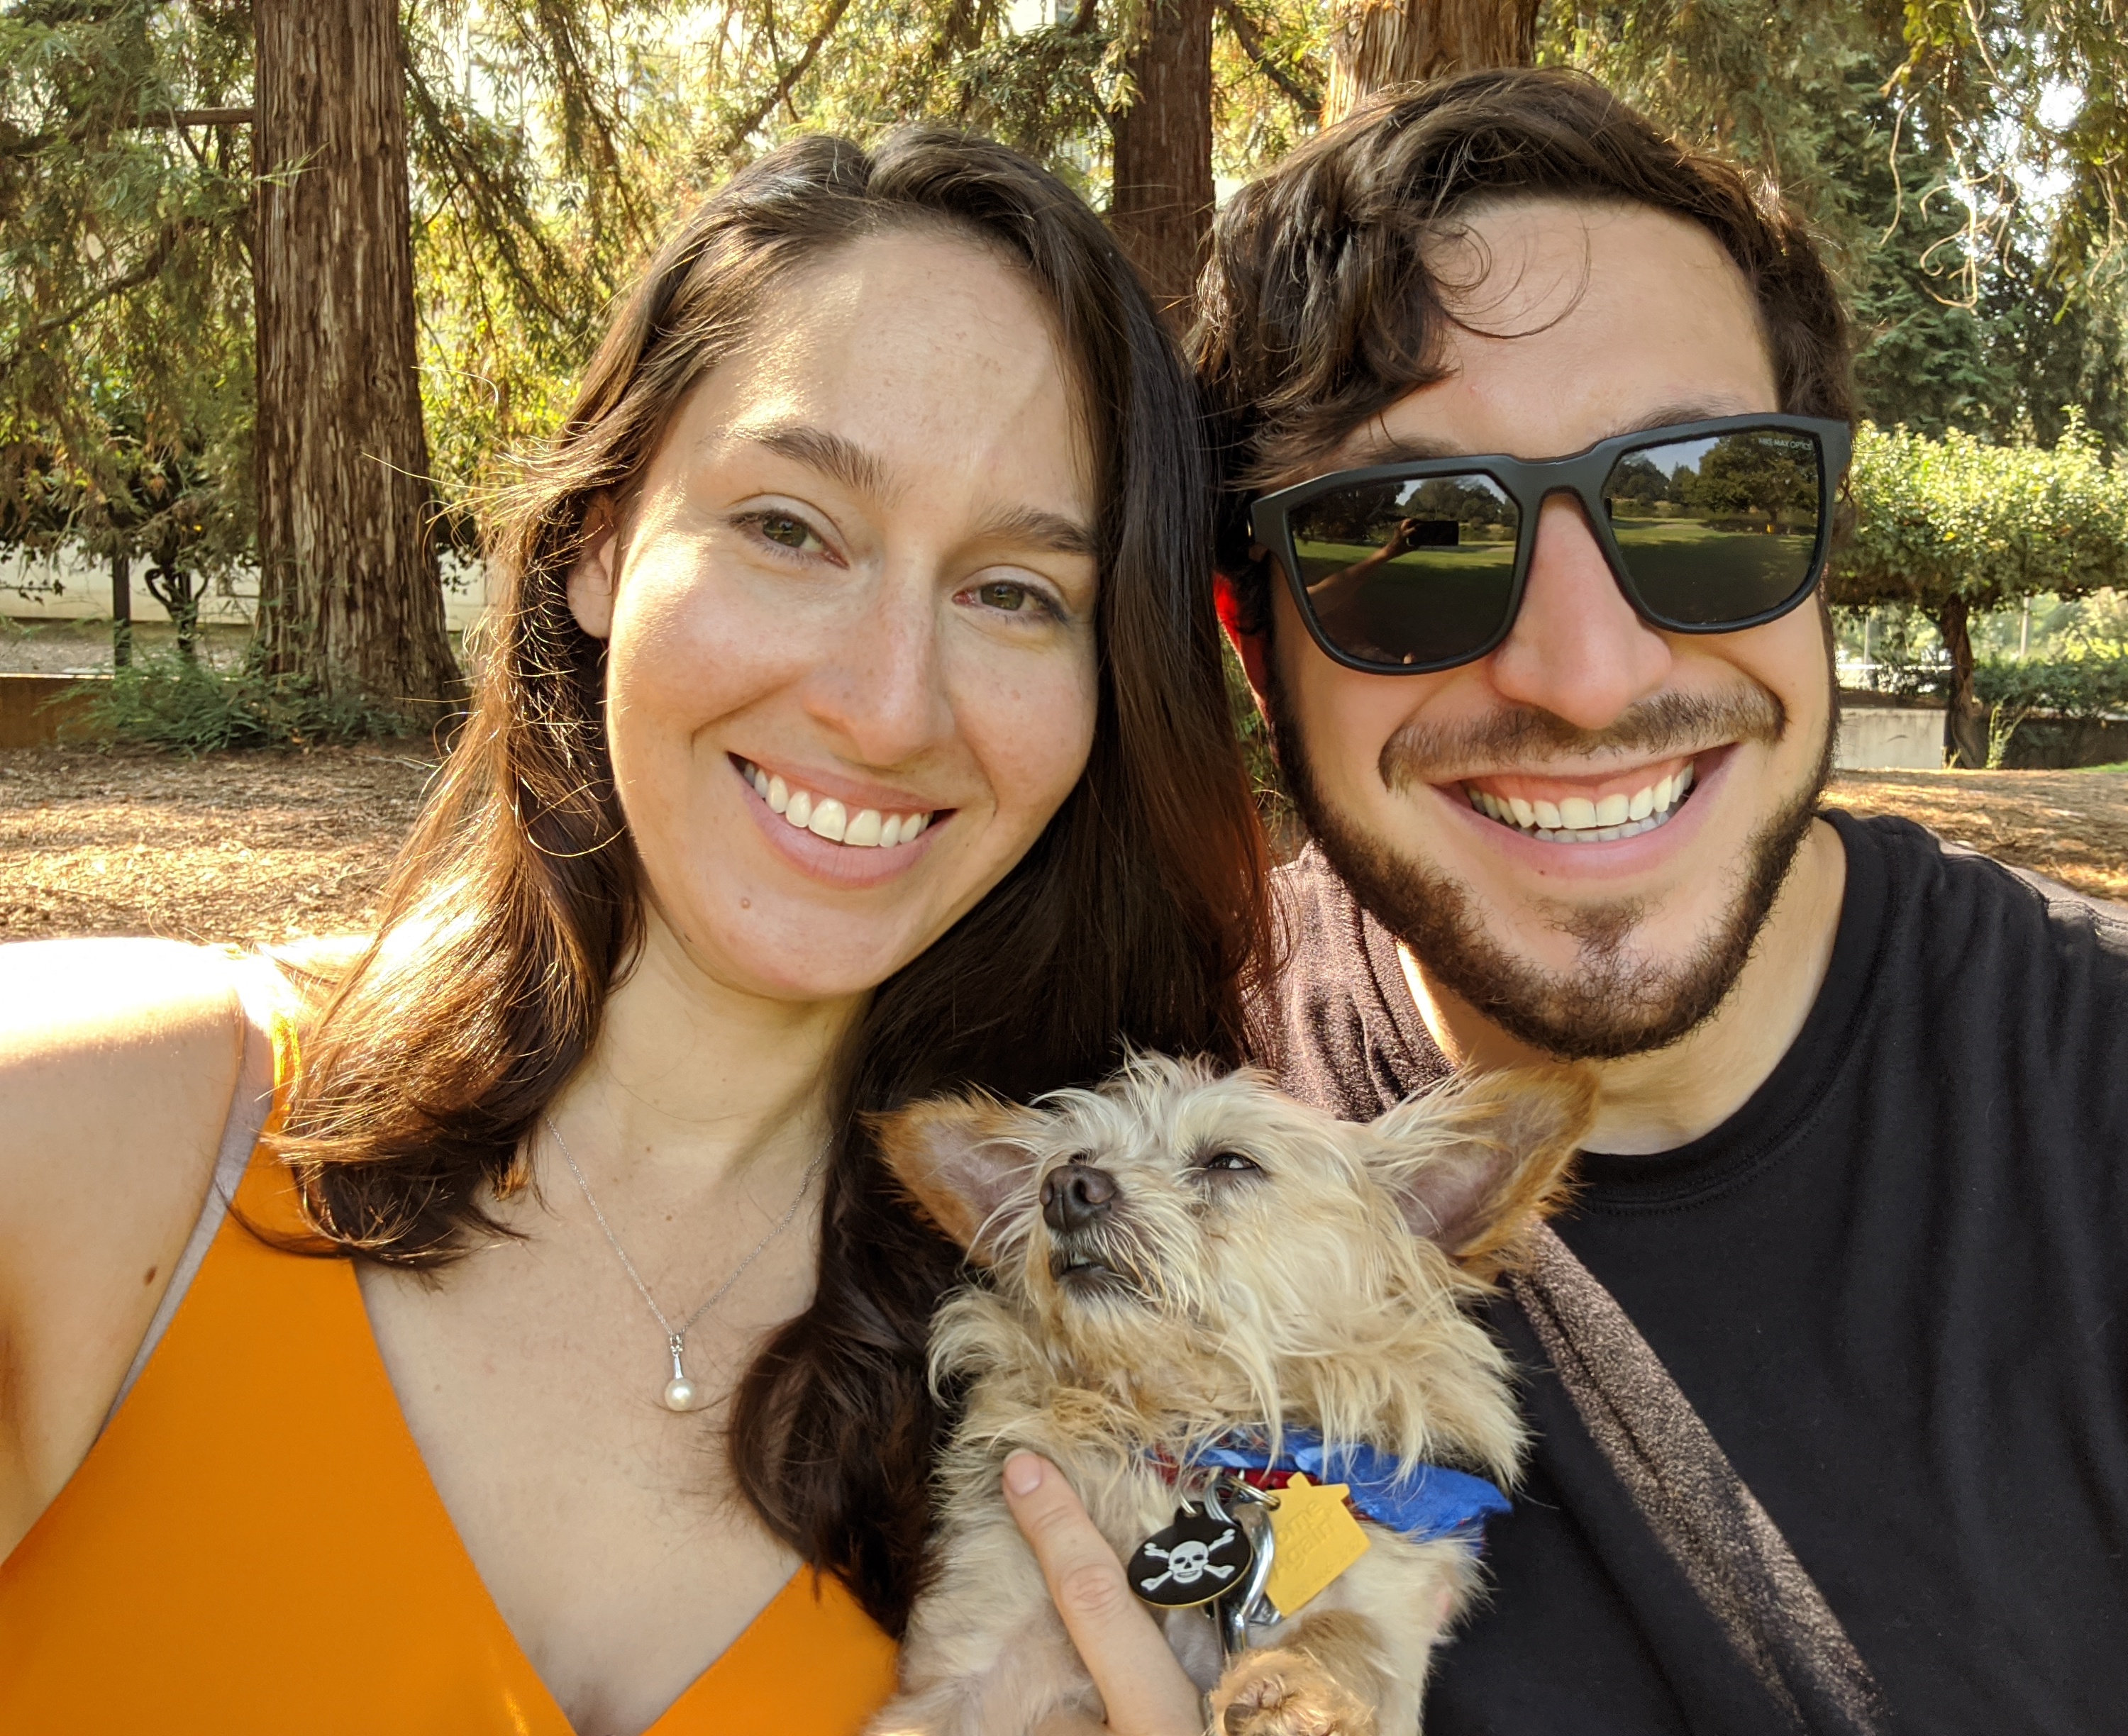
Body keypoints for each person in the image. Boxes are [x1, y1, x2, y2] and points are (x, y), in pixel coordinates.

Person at [1003, 67, 2128, 1736]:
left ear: (1825, 543)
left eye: (1706, 497)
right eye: (1409, 537)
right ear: (1255, 639)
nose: (1585, 673)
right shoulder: (1115, 1118)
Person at [0, 127, 1268, 1736]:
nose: (886, 706)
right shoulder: (86, 1139)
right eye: (791, 528)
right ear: (603, 535)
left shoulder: (1136, 1380)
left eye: (1017, 593)